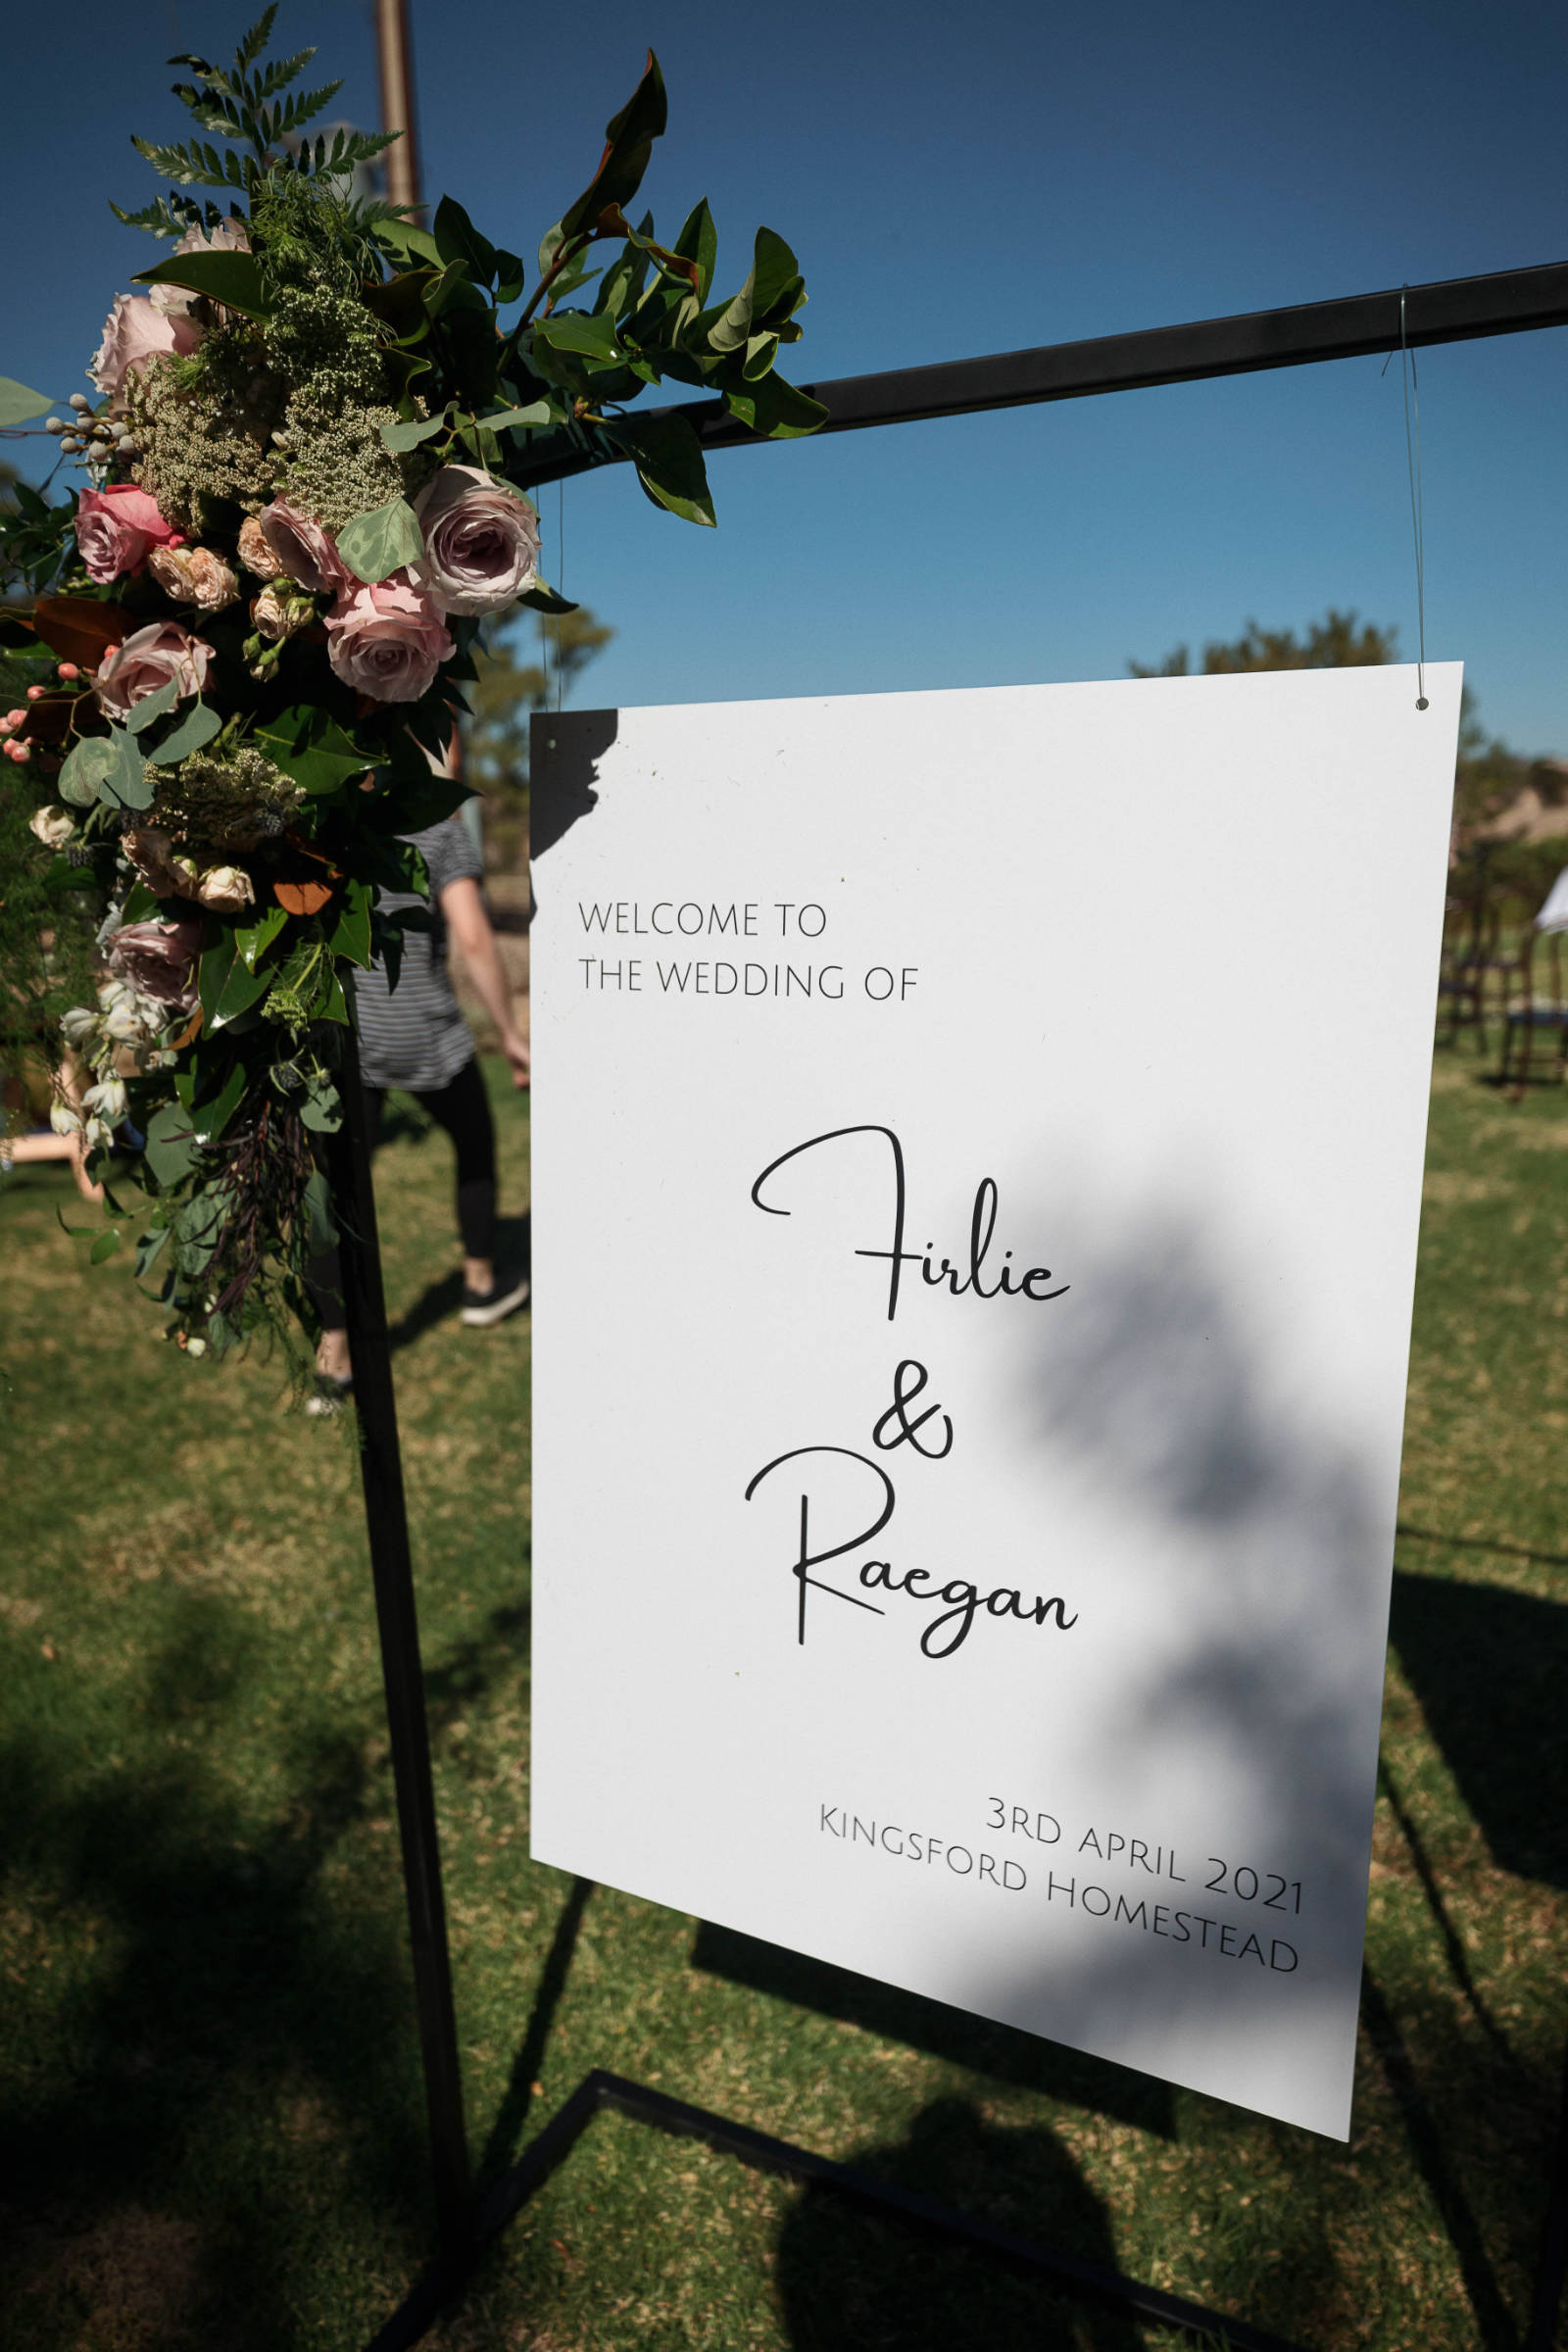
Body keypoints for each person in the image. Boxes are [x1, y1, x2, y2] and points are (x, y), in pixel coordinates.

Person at [309, 811, 529, 1404]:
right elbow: (475, 936)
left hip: (351, 1032)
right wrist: (509, 1032)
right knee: (475, 1142)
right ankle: (481, 1284)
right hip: (424, 1031)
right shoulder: (437, 824)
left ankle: (335, 1356)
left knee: (334, 1190)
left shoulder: (325, 815)